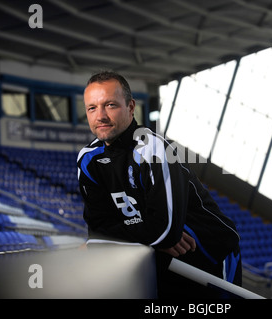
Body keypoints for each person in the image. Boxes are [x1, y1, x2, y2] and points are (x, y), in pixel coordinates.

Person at [77, 70, 241, 298]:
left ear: (131, 107)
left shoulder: (155, 150)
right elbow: (97, 229)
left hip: (210, 255)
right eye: (92, 108)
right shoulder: (88, 160)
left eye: (110, 105)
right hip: (159, 255)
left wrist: (116, 237)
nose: (100, 116)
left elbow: (165, 230)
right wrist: (150, 237)